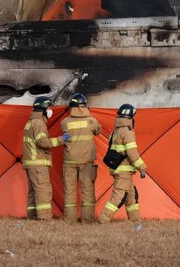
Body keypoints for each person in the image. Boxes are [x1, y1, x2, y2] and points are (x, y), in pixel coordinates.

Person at [99, 103, 147, 223]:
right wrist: (142, 167)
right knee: (119, 196)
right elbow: (132, 152)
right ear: (131, 117)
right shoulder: (128, 132)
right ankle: (103, 219)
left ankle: (135, 221)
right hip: (124, 170)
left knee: (131, 196)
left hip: (119, 169)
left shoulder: (115, 131)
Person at [60, 93, 101, 222]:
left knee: (69, 190)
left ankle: (69, 219)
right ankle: (87, 220)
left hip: (69, 161)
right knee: (87, 190)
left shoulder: (64, 122)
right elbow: (98, 131)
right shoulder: (91, 121)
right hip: (86, 162)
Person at [22, 96, 63, 220]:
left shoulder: (30, 122)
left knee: (33, 192)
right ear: (44, 109)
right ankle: (44, 218)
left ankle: (32, 217)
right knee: (43, 190)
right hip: (38, 164)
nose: (50, 110)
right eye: (49, 107)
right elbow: (43, 142)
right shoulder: (39, 124)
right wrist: (62, 139)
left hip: (31, 164)